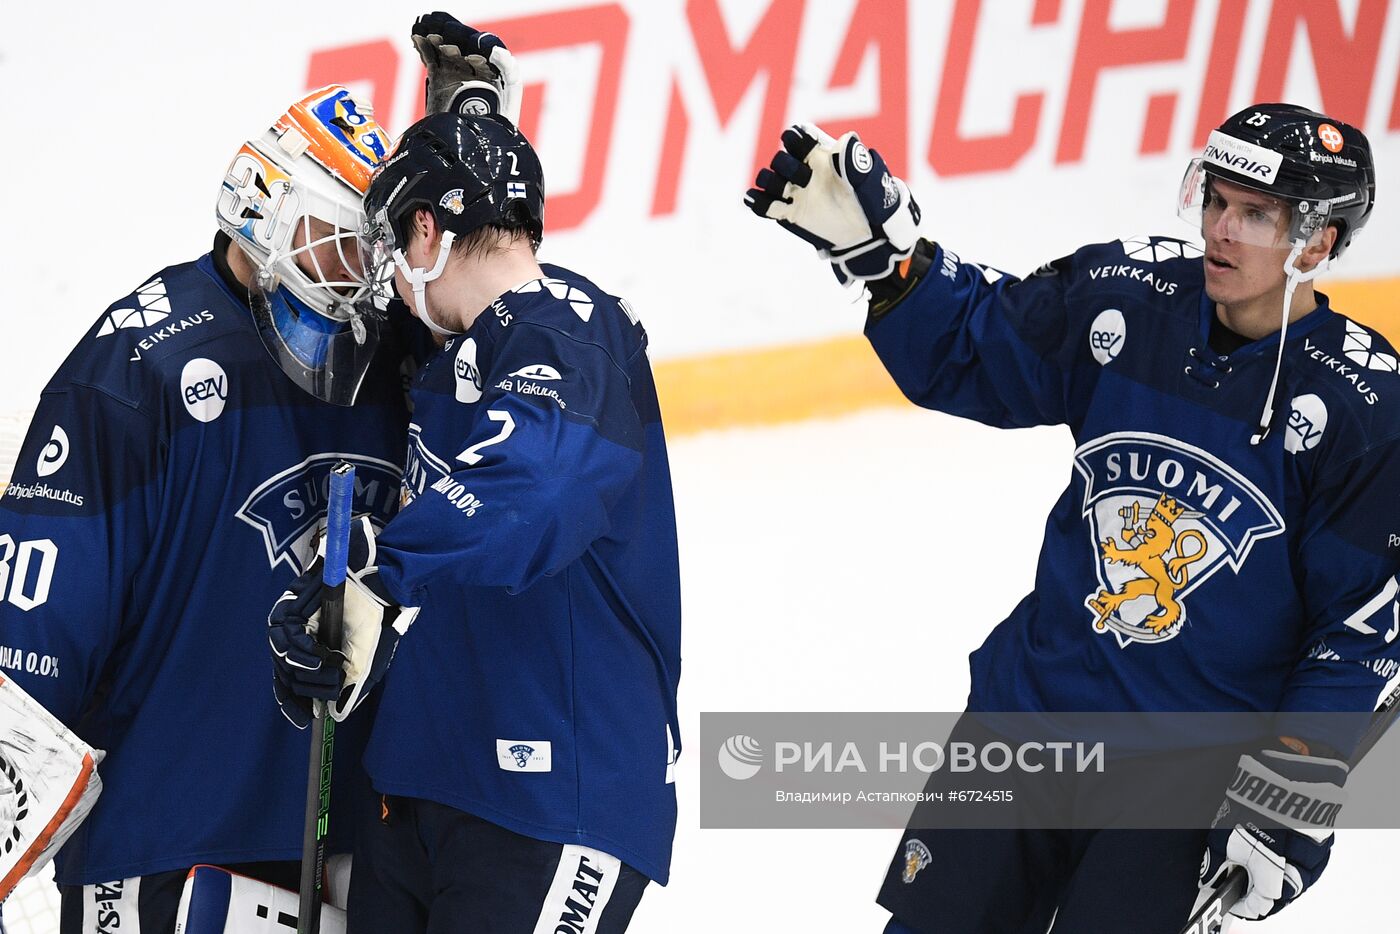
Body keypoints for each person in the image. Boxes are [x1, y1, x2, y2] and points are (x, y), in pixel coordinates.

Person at [746, 103, 1399, 931]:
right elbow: (985, 345)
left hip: (1181, 787)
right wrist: (896, 269)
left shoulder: (1366, 411)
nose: (1221, 231)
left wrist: (1288, 796)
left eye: (1257, 214)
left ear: (1320, 243)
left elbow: (1361, 632)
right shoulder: (1130, 296)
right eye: (1216, 201)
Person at [0, 85, 415, 932]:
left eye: (367, 250)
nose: (350, 273)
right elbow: (29, 650)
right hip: (159, 849)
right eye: (330, 237)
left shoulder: (393, 366)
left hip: (346, 852)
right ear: (260, 205)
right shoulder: (133, 370)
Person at [268, 110, 682, 932]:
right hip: (422, 787)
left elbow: (538, 487)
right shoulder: (458, 348)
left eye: (394, 244)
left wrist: (379, 578)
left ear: (427, 230)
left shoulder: (574, 331)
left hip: (550, 799)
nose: (386, 277)